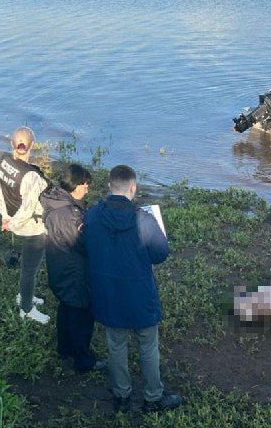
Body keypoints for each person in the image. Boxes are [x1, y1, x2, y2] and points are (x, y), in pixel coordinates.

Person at [84, 164, 183, 414]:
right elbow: (161, 253)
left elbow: (85, 244)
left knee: (116, 343)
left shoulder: (93, 215)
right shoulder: (144, 219)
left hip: (107, 292)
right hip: (139, 294)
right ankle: (152, 397)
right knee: (148, 345)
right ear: (133, 187)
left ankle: (122, 396)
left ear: (109, 187)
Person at [40, 163, 106, 373]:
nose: (87, 189)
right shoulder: (70, 215)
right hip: (74, 273)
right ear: (76, 186)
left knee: (66, 309)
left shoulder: (57, 202)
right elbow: (85, 244)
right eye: (86, 185)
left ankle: (64, 348)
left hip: (60, 268)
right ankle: (84, 361)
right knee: (82, 316)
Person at [0, 126, 50, 324]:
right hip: (32, 227)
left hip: (14, 220)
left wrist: (5, 217)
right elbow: (28, 209)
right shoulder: (31, 175)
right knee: (30, 269)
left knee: (28, 268)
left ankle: (25, 294)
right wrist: (13, 224)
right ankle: (26, 308)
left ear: (12, 144)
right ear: (32, 146)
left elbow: (0, 192)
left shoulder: (4, 162)